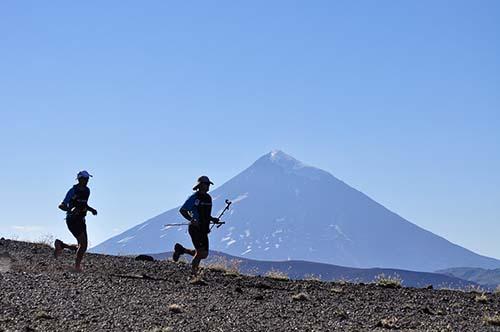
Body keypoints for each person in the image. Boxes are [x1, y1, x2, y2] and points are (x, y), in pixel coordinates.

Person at [173, 176, 222, 277]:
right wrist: (191, 220)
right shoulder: (194, 197)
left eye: (209, 184)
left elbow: (206, 214)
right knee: (200, 253)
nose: (208, 186)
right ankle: (194, 276)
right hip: (195, 228)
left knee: (204, 254)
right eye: (206, 184)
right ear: (200, 185)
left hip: (203, 228)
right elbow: (183, 210)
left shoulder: (208, 198)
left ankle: (182, 250)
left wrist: (213, 219)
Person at [54, 170, 97, 272]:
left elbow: (84, 204)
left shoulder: (87, 191)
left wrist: (91, 210)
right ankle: (76, 267)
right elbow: (61, 205)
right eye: (84, 179)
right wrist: (70, 209)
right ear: (79, 179)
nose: (86, 181)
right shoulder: (73, 191)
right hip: (72, 219)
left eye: (87, 179)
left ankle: (61, 245)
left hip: (81, 219)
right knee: (83, 245)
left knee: (81, 246)